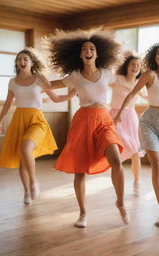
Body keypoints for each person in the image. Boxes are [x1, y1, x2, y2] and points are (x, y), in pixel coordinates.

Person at [44, 28, 129, 228]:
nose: (88, 51)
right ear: (80, 54)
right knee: (79, 170)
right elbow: (51, 84)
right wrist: (34, 82)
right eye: (84, 49)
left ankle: (121, 202)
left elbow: (126, 84)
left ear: (97, 54)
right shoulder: (75, 76)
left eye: (92, 48)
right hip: (82, 121)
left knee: (116, 159)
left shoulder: (107, 74)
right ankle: (82, 213)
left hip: (103, 120)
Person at [114, 43, 159, 227]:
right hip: (149, 121)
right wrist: (119, 113)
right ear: (154, 57)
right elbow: (132, 94)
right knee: (156, 163)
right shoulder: (149, 75)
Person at [0, 49, 58, 205]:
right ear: (17, 63)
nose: (22, 62)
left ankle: (33, 182)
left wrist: (75, 90)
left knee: (25, 149)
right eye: (19, 59)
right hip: (19, 119)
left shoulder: (39, 79)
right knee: (22, 157)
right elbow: (8, 103)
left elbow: (56, 98)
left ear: (31, 63)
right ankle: (26, 191)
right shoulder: (13, 82)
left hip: (37, 120)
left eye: (25, 59)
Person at [109, 53, 145, 196]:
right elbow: (100, 81)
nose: (135, 67)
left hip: (131, 117)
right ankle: (117, 181)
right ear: (127, 66)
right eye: (132, 64)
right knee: (116, 150)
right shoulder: (117, 79)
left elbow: (146, 96)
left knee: (135, 152)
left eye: (138, 65)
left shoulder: (139, 82)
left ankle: (137, 182)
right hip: (115, 115)